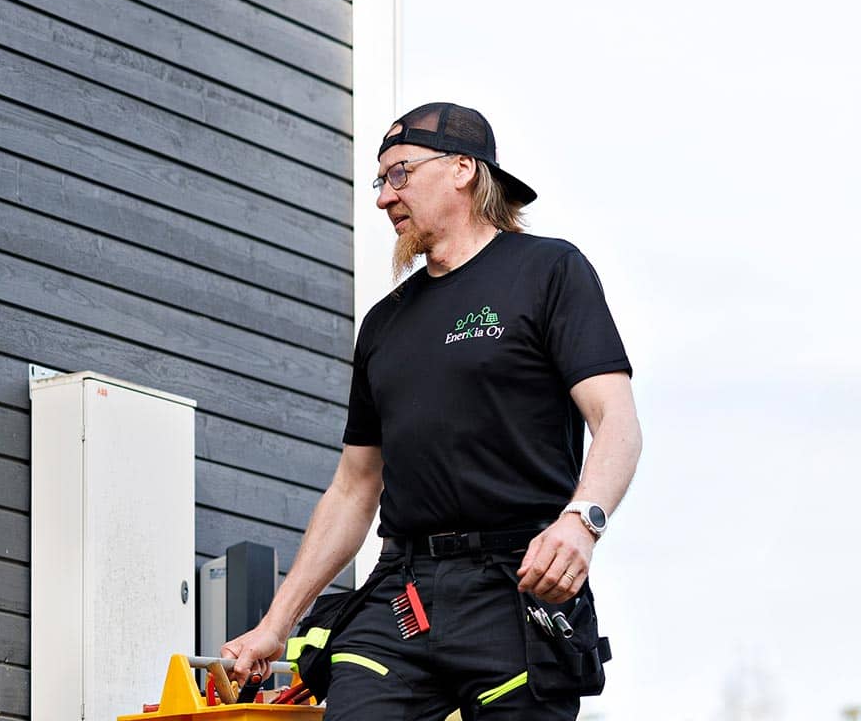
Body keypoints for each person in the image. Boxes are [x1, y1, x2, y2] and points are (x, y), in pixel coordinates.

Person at [220, 103, 643, 719]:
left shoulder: (549, 271)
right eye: (380, 180)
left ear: (462, 169)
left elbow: (617, 422)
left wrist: (583, 522)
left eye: (400, 174)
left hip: (518, 586)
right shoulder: (383, 325)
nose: (384, 198)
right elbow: (354, 488)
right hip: (403, 593)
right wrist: (275, 625)